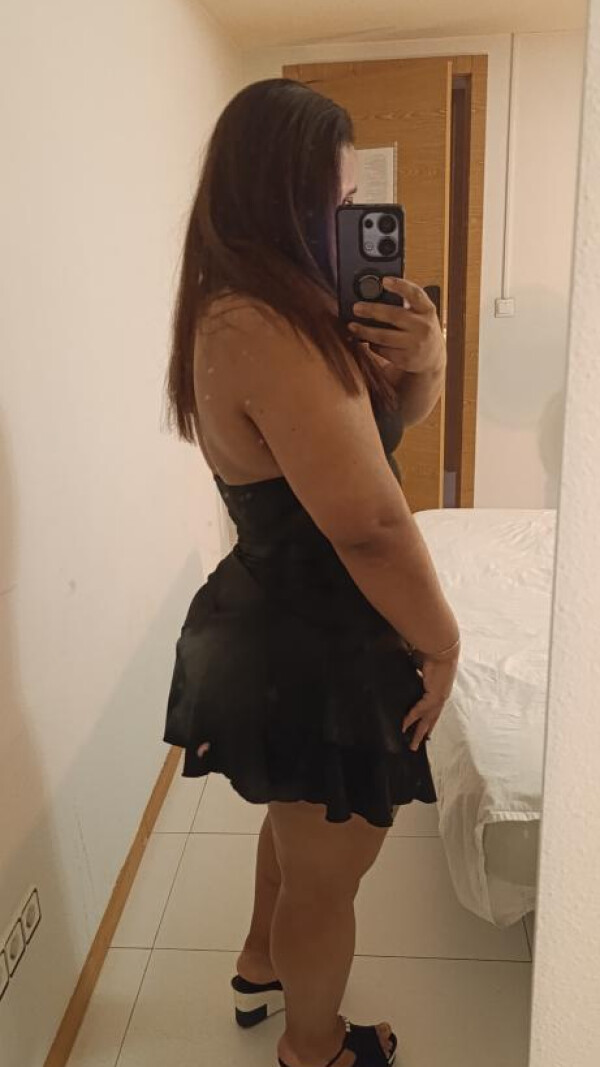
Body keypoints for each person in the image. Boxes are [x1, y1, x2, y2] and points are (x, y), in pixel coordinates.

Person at [164, 78, 460, 1067]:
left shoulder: (261, 306)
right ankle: (314, 1046)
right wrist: (443, 639)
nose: (349, 218)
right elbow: (369, 523)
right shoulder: (263, 324)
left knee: (300, 825)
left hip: (280, 615)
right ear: (283, 195)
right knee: (328, 880)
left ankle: (260, 965)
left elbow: (390, 426)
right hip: (315, 636)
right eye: (337, 199)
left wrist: (426, 356)